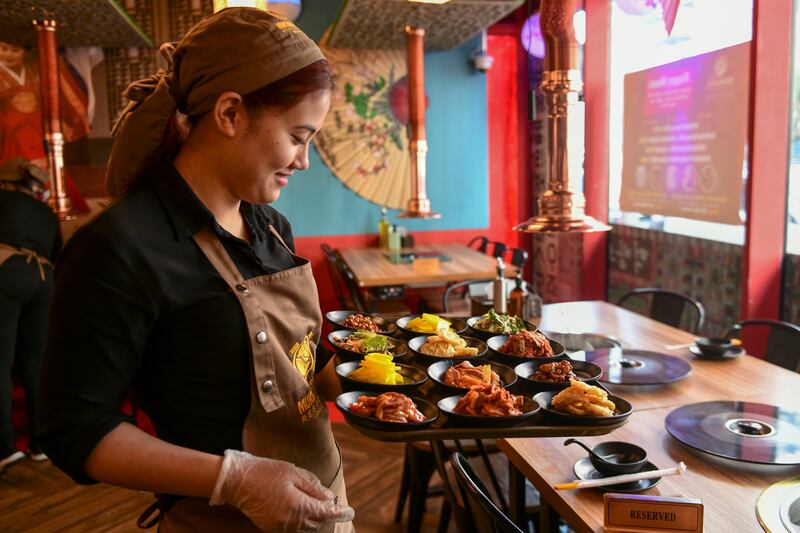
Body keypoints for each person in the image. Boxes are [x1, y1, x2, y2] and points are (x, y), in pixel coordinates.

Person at [38, 8, 354, 532]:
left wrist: (363, 377)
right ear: (230, 114)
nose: (304, 161)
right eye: (299, 137)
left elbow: (295, 363)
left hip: (323, 506)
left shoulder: (271, 225)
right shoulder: (120, 246)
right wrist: (238, 478)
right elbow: (75, 427)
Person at [0, 158, 61, 474]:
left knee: (1, 362)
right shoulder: (46, 212)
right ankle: (41, 444)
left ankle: (3, 448)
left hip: (5, 272)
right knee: (36, 364)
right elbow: (57, 254)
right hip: (44, 279)